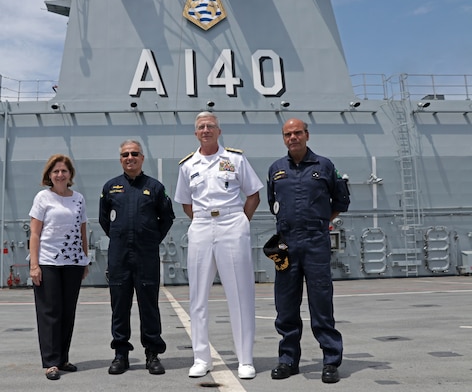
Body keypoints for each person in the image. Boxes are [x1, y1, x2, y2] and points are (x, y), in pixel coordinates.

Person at [174, 112, 263, 380]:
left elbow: (253, 194)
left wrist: (239, 222)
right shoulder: (188, 165)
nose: (206, 130)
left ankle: (245, 359)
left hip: (232, 224)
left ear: (219, 130)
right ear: (196, 133)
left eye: (210, 126)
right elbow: (186, 202)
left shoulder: (235, 159)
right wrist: (204, 220)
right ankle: (201, 358)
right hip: (201, 226)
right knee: (198, 296)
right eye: (201, 127)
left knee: (240, 294)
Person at [266, 118, 350, 384]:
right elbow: (273, 203)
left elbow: (341, 201)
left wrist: (322, 221)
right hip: (287, 244)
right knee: (286, 304)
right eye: (288, 134)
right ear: (283, 138)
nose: (293, 137)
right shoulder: (276, 169)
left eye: (298, 133)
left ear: (307, 135)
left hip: (315, 242)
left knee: (321, 303)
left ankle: (330, 361)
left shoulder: (324, 166)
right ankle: (288, 359)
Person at [99, 140, 175, 375]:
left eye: (134, 154)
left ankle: (152, 353)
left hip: (146, 256)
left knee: (149, 306)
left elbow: (167, 217)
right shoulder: (110, 188)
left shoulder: (154, 187)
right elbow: (104, 221)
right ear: (120, 159)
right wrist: (120, 238)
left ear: (142, 158)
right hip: (119, 256)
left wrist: (151, 240)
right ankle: (121, 354)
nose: (129, 157)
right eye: (125, 154)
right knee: (119, 306)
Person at [29, 154, 90, 381]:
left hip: (73, 263)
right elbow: (35, 233)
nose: (60, 174)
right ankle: (51, 362)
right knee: (50, 312)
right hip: (48, 262)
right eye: (56, 171)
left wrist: (84, 259)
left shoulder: (79, 199)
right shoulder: (43, 198)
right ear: (49, 175)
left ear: (70, 174)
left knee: (67, 311)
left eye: (64, 171)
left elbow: (83, 230)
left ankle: (63, 357)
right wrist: (34, 265)